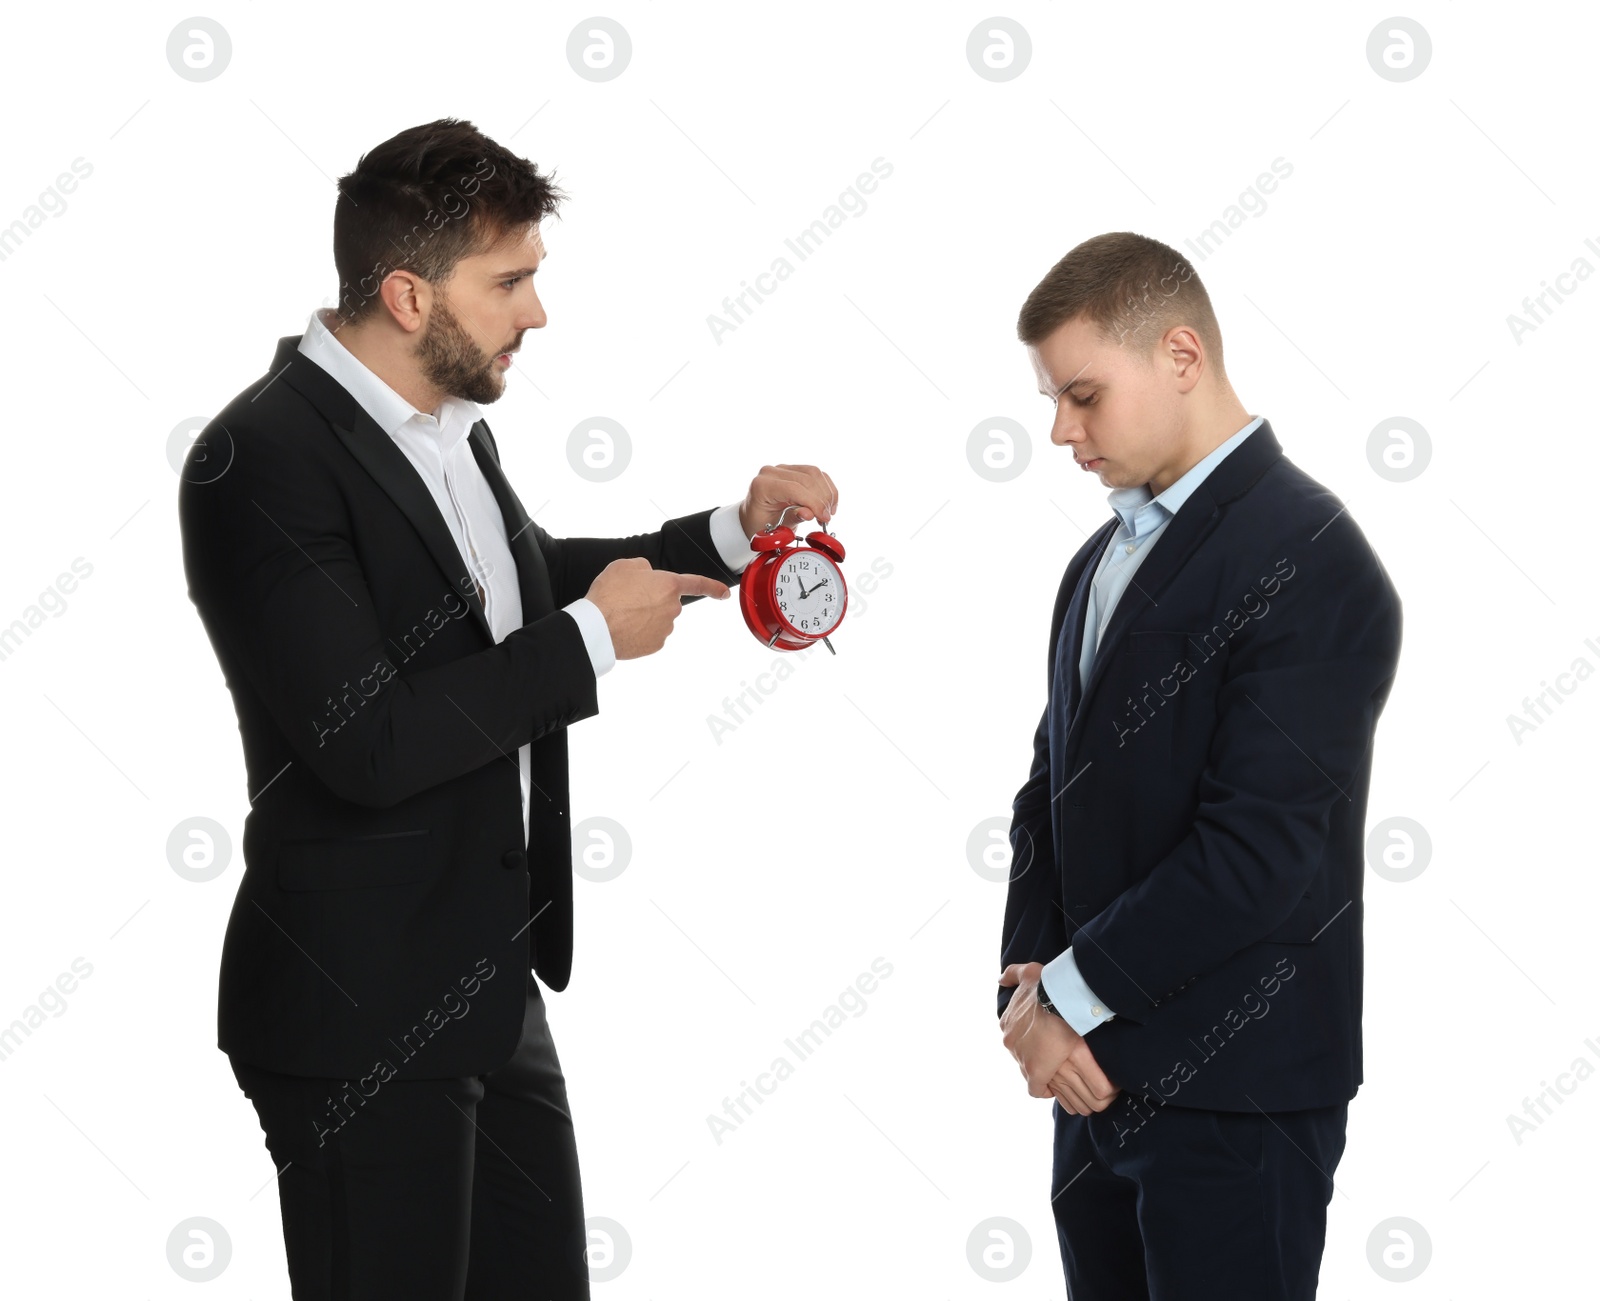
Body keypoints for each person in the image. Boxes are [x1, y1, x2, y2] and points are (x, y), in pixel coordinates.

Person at [177, 117, 837, 1300]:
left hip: (489, 986)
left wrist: (734, 537)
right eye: (511, 282)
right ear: (406, 295)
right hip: (357, 1013)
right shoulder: (259, 458)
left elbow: (520, 583)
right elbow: (366, 742)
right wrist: (591, 645)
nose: (538, 313)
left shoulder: (443, 431)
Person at [996, 231, 1402, 1298]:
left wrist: (1066, 998)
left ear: (1180, 355)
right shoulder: (1099, 558)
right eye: (1053, 398)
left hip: (1237, 1097)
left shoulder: (1313, 555)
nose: (1059, 430)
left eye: (1082, 394)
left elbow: (1257, 852)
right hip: (1091, 1081)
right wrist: (1025, 991)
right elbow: (1047, 794)